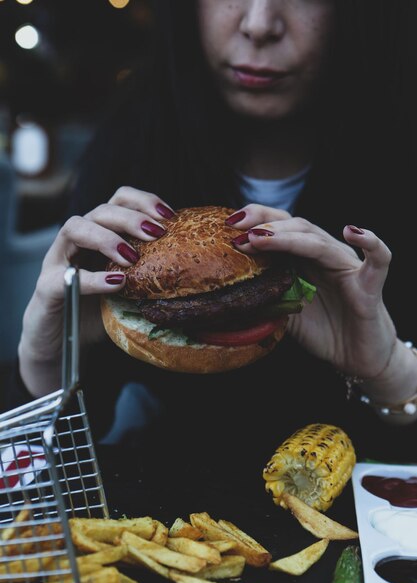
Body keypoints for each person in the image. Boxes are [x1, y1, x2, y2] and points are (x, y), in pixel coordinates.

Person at [10, 0, 417, 477]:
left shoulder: (403, 163)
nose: (259, 24)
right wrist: (45, 368)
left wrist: (389, 370)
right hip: (162, 492)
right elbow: (55, 474)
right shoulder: (129, 150)